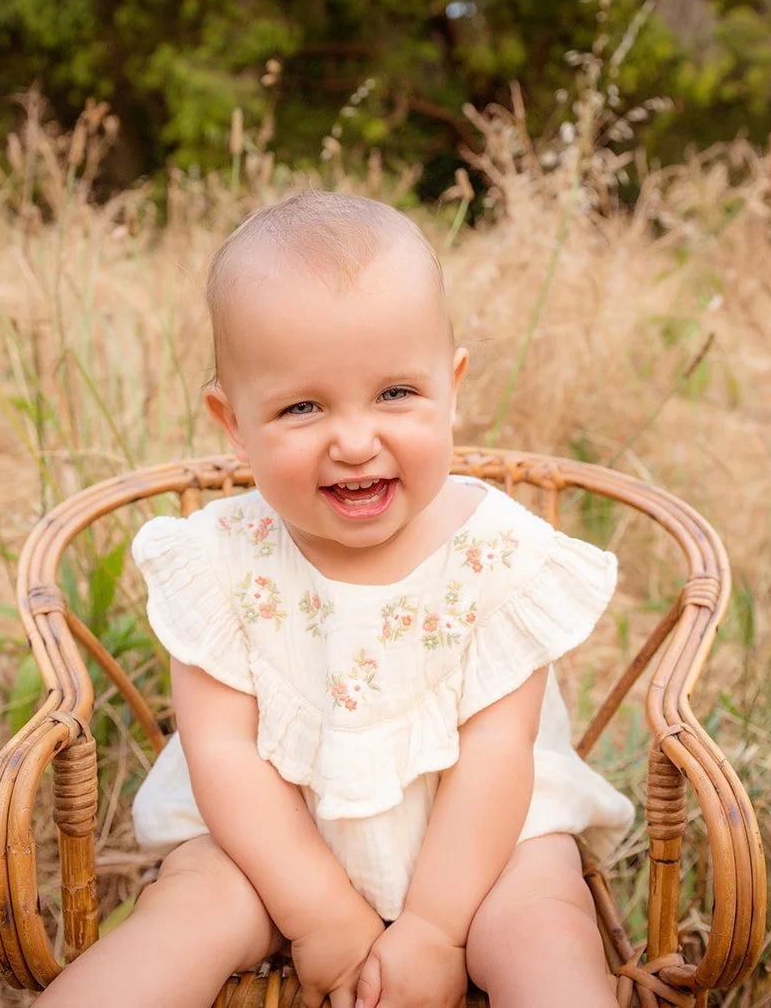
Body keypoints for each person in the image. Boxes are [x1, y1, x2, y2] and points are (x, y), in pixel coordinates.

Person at [36, 190, 633, 1008]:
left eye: (395, 394)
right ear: (233, 423)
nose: (355, 442)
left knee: (546, 924)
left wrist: (435, 928)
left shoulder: (498, 551)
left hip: (484, 840)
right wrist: (316, 913)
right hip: (268, 839)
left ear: (451, 388)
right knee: (188, 909)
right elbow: (223, 754)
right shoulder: (219, 561)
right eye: (302, 407)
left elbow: (500, 755)